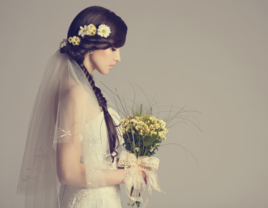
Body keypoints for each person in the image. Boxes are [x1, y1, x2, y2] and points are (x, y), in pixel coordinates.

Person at [16, 6, 146, 208]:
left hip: (106, 200)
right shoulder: (76, 93)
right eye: (113, 49)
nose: (118, 58)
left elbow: (95, 158)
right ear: (93, 44)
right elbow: (67, 173)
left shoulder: (87, 91)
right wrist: (126, 175)